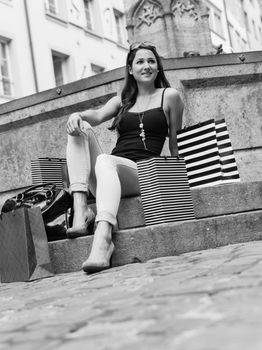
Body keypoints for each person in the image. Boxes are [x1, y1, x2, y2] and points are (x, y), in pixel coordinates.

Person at [66, 42, 184, 273]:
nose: (146, 66)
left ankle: (104, 237)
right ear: (130, 69)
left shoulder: (169, 96)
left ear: (158, 68)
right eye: (140, 61)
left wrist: (180, 181)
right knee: (79, 128)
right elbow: (97, 116)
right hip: (108, 173)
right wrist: (76, 114)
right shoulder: (123, 98)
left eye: (151, 61)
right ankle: (80, 209)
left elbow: (175, 142)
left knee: (104, 160)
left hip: (141, 174)